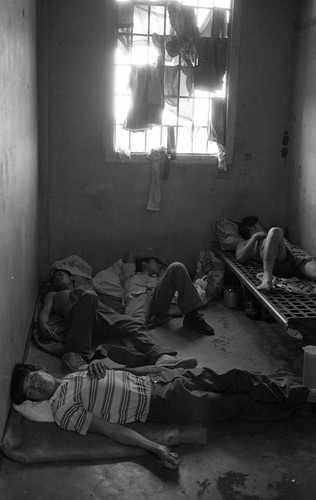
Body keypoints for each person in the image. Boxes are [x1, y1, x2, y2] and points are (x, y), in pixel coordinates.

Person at [11, 361, 316, 470]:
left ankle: (301, 396)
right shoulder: (64, 412)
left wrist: (96, 365)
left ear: (40, 368)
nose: (37, 385)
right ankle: (300, 403)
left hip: (166, 381)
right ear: (35, 400)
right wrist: (153, 446)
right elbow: (109, 430)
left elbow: (116, 372)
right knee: (234, 403)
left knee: (235, 376)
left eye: (33, 377)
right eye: (32, 391)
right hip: (161, 405)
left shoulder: (75, 374)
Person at [38, 269, 198, 373]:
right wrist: (43, 323)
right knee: (89, 296)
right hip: (80, 316)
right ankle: (74, 354)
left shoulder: (84, 286)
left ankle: (159, 357)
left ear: (71, 277)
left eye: (61, 274)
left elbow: (103, 307)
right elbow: (44, 313)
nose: (57, 277)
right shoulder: (54, 295)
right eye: (55, 277)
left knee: (133, 324)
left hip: (103, 314)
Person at [121, 251, 214, 334]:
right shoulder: (131, 275)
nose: (160, 265)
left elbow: (187, 285)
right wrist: (156, 256)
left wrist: (164, 262)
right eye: (156, 263)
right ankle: (134, 347)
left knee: (177, 266)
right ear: (144, 264)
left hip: (157, 301)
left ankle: (192, 317)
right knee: (134, 327)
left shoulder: (160, 278)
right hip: (137, 298)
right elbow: (132, 254)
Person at [236, 216, 316, 292]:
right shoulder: (244, 243)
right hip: (279, 260)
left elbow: (280, 234)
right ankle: (267, 278)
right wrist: (255, 237)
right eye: (260, 225)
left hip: (298, 259)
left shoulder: (270, 235)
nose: (264, 227)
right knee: (275, 230)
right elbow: (240, 257)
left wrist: (282, 231)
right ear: (250, 227)